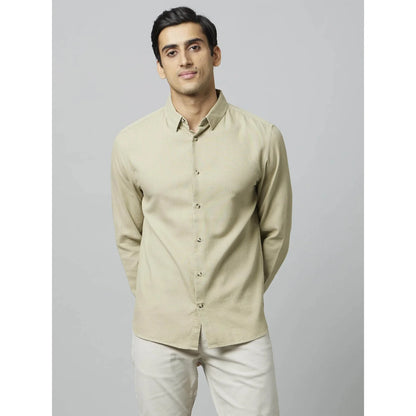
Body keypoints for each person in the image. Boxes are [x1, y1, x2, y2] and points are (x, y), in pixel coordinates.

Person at [111, 6, 292, 415]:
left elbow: (276, 232)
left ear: (215, 54)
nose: (185, 60)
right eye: (171, 52)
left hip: (239, 328)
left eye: (194, 47)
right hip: (159, 330)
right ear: (160, 67)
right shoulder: (131, 144)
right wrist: (158, 297)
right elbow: (128, 236)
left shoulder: (263, 138)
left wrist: (240, 292)